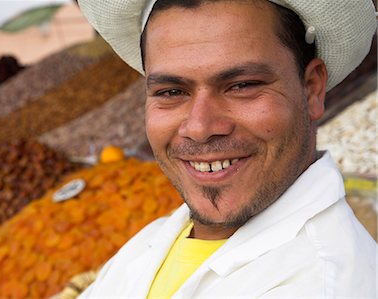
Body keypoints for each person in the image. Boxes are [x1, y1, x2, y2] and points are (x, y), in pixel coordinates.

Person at [76, 0, 377, 297]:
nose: (200, 127)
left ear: (311, 88)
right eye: (171, 92)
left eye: (242, 85)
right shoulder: (152, 242)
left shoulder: (322, 284)